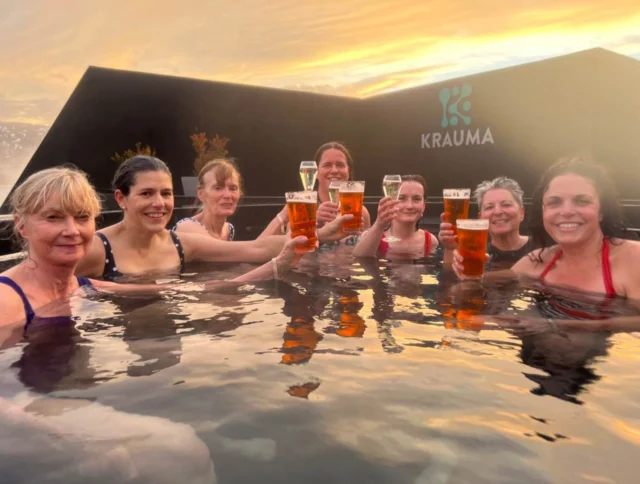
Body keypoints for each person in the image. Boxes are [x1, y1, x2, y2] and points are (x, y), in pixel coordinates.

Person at [0, 166, 316, 331]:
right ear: (22, 225)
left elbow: (195, 290)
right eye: (54, 218)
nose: (71, 230)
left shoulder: (82, 286)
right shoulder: (8, 298)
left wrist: (276, 267)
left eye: (82, 218)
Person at [74, 156, 348, 280]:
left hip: (176, 344)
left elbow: (253, 248)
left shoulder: (179, 243)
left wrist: (321, 235)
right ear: (121, 198)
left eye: (166, 194)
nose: (159, 203)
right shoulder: (97, 249)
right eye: (147, 193)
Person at [452, 156, 640, 332]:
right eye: (554, 202)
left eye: (581, 201)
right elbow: (463, 289)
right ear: (544, 212)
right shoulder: (537, 261)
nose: (566, 211)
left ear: (601, 211)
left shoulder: (633, 258)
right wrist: (467, 274)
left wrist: (552, 325)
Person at [259, 142, 371, 240]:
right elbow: (287, 249)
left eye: (340, 165)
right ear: (315, 173)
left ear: (348, 172)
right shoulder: (301, 208)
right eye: (327, 165)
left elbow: (366, 254)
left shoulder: (361, 212)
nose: (334, 170)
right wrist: (313, 221)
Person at [439, 176, 531, 268]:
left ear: (521, 213)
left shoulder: (542, 248)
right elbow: (451, 280)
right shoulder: (475, 255)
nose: (497, 212)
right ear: (480, 218)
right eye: (489, 207)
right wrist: (450, 248)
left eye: (506, 204)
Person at [353, 175, 438, 259]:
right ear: (390, 202)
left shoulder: (430, 241)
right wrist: (379, 224)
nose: (409, 206)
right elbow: (359, 259)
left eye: (416, 199)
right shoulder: (372, 236)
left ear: (424, 205)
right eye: (401, 198)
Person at [173, 158, 240, 241]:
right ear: (201, 194)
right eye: (218, 188)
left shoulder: (228, 229)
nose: (228, 195)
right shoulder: (186, 229)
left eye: (233, 188)